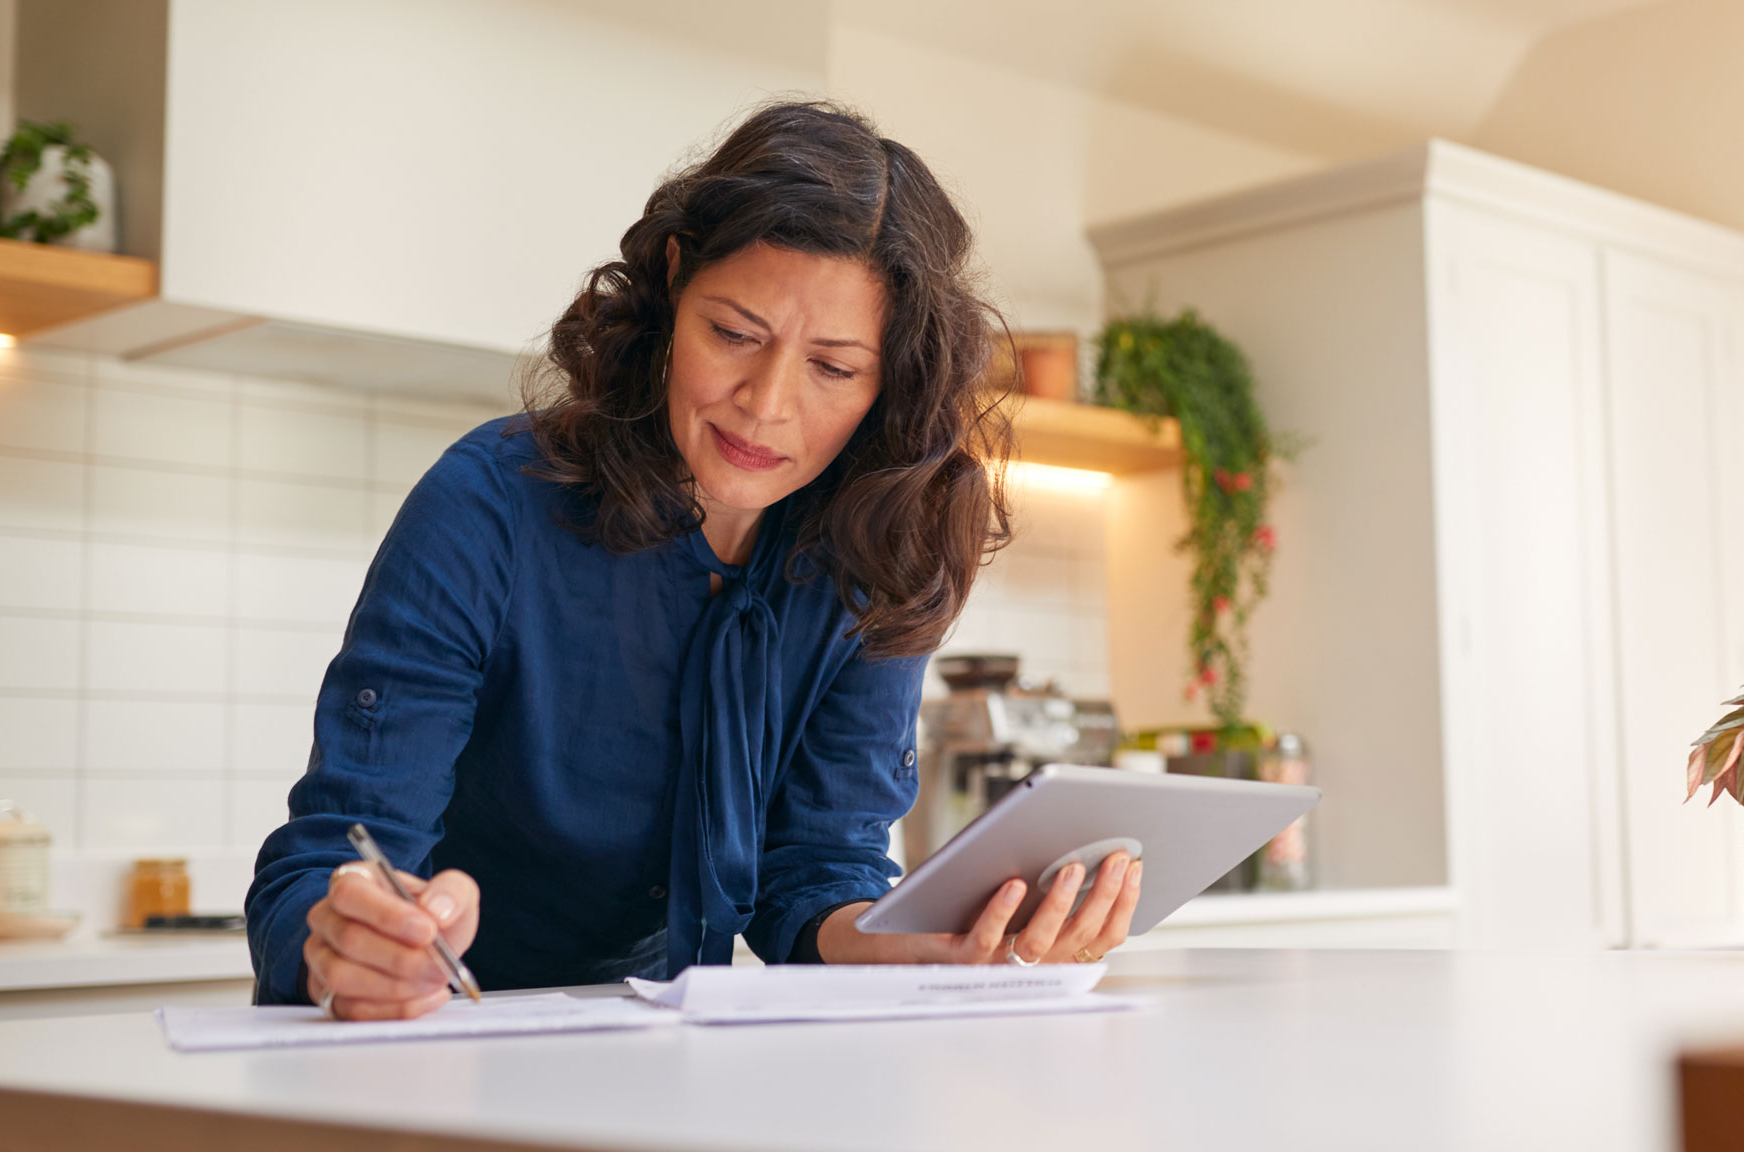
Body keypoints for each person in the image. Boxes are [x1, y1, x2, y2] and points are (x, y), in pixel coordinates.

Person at [245, 101, 1141, 1019]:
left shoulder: (884, 547)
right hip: (428, 1040)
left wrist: (923, 943)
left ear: (892, 379)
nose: (766, 404)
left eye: (833, 368)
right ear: (675, 280)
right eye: (734, 334)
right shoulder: (489, 504)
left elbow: (816, 871)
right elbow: (330, 861)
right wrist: (348, 937)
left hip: (659, 1049)